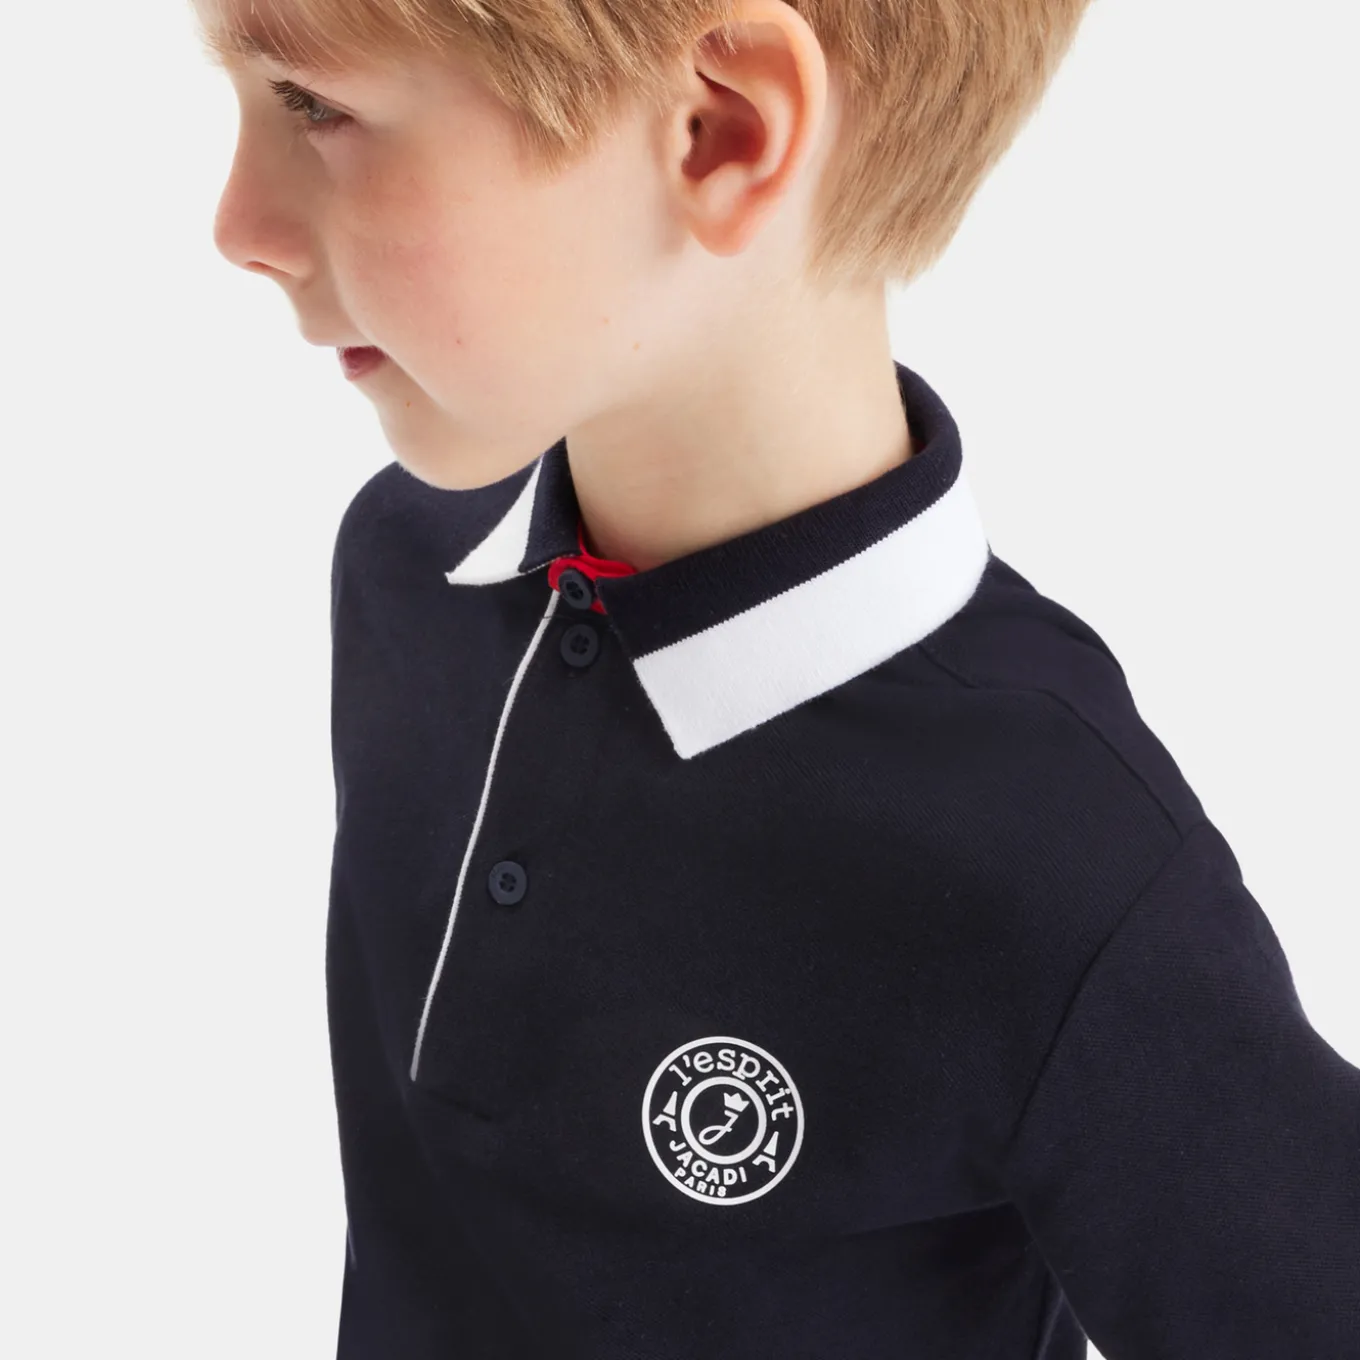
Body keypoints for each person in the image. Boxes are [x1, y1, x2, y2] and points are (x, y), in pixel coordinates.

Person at [198, 0, 1360, 1354]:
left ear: (722, 131)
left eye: (314, 105)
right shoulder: (410, 567)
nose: (235, 224)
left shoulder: (1065, 868)